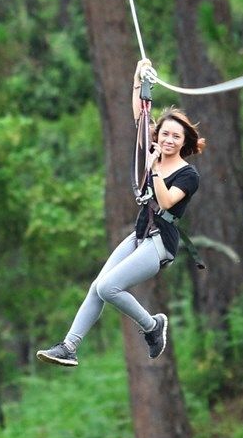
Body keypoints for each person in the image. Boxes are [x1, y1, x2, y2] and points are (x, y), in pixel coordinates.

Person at [38, 63, 203, 367]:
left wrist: (153, 168)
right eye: (164, 134)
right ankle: (69, 346)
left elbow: (166, 203)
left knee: (108, 287)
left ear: (184, 142)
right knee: (97, 286)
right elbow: (140, 116)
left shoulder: (187, 174)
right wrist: (138, 78)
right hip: (141, 234)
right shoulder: (151, 149)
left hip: (161, 242)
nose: (167, 140)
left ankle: (153, 326)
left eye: (175, 137)